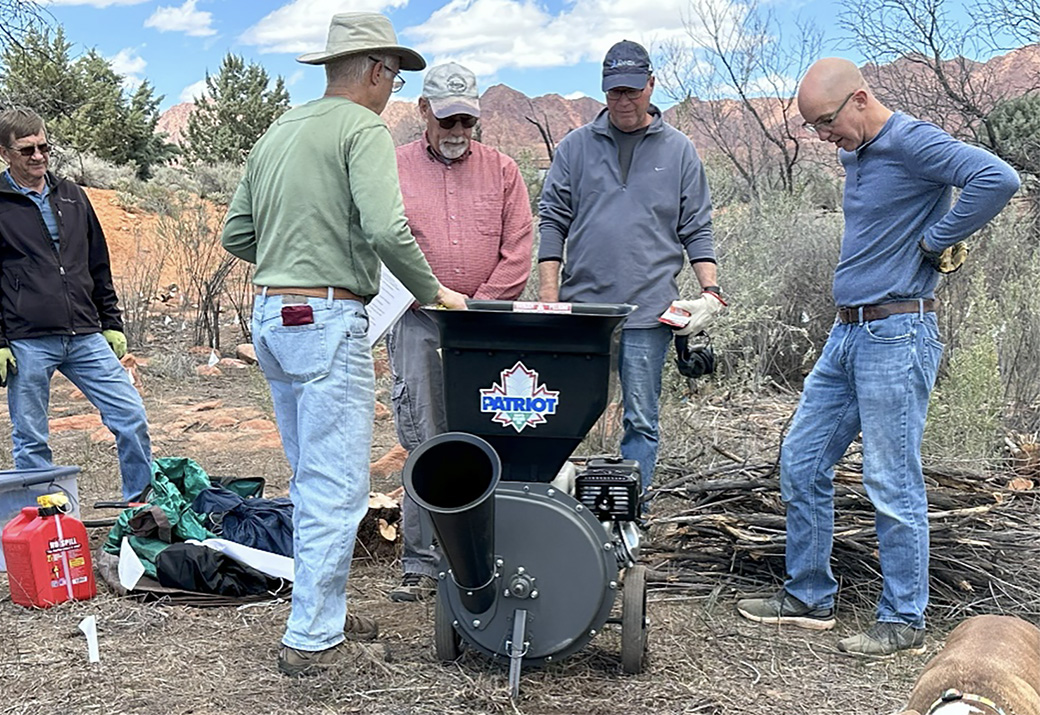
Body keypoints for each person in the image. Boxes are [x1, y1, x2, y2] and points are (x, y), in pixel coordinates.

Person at [737, 58, 1019, 658]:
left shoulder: (911, 141)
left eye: (826, 122)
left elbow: (997, 178)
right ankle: (808, 595)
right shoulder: (856, 153)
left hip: (897, 333)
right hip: (846, 336)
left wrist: (936, 239)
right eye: (813, 127)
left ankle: (903, 618)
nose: (823, 137)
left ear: (860, 99)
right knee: (802, 460)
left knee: (891, 479)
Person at [221, 11, 467, 676]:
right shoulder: (361, 127)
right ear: (377, 71)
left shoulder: (279, 129)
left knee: (310, 481)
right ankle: (312, 643)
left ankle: (319, 611)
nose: (393, 87)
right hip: (326, 317)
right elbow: (388, 229)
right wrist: (435, 290)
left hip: (272, 315)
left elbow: (236, 236)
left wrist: (293, 249)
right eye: (394, 74)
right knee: (337, 487)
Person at [537, 40, 723, 497]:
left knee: (641, 417)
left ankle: (628, 514)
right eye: (615, 91)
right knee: (565, 414)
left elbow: (696, 227)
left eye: (633, 91)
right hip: (584, 314)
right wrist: (549, 296)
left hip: (650, 313)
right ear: (604, 91)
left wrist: (711, 292)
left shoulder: (679, 150)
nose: (624, 100)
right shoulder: (575, 148)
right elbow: (552, 220)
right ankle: (559, 510)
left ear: (651, 86)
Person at [386, 62, 533, 603]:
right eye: (447, 120)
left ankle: (490, 552)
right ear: (424, 111)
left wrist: (480, 305)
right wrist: (431, 296)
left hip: (485, 324)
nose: (457, 132)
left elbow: (518, 248)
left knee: (495, 430)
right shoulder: (392, 167)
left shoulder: (503, 170)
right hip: (417, 319)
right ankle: (422, 563)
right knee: (426, 435)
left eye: (466, 120)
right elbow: (380, 238)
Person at [0, 109, 153, 503]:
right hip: (27, 340)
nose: (38, 156)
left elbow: (97, 264)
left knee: (131, 417)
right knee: (31, 437)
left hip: (85, 334)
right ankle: (47, 521)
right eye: (27, 149)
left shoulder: (72, 195)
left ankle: (140, 503)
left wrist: (111, 322)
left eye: (44, 147)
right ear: (5, 152)